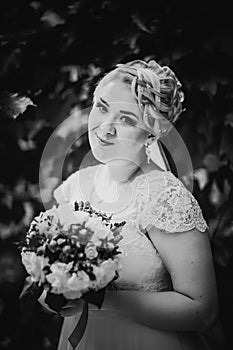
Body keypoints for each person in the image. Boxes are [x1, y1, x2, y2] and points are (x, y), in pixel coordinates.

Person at [41, 59, 219, 350]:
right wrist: (53, 292)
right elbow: (49, 285)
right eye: (101, 107)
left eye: (126, 119)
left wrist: (100, 298)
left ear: (153, 131)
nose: (105, 128)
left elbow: (202, 310)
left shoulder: (165, 197)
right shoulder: (75, 186)